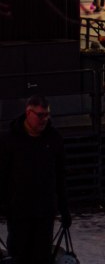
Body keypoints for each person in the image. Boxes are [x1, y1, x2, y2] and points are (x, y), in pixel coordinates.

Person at [0, 95, 71, 264]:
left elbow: (60, 176)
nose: (44, 119)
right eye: (40, 115)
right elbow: (2, 175)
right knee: (19, 256)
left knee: (42, 257)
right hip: (18, 212)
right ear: (28, 113)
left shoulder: (54, 138)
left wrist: (64, 208)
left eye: (47, 115)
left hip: (45, 212)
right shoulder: (10, 140)